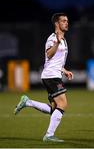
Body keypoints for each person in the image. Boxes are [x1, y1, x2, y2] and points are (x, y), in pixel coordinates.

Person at [14, 13, 73, 142]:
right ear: (57, 23)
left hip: (54, 74)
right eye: (63, 21)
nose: (66, 23)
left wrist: (65, 70)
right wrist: (57, 43)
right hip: (51, 76)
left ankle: (28, 102)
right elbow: (49, 54)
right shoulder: (52, 38)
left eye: (67, 21)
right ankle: (49, 135)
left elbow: (56, 62)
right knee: (63, 104)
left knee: (54, 108)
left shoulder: (63, 39)